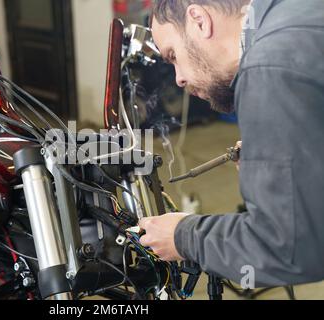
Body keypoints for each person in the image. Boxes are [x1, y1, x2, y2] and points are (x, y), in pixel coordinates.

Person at [139, 0, 324, 288]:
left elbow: (290, 248)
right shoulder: (297, 13)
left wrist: (183, 236)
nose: (179, 78)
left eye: (174, 55)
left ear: (199, 20)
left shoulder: (268, 66)